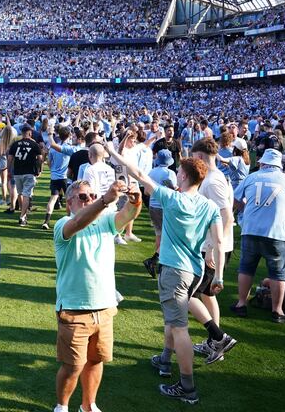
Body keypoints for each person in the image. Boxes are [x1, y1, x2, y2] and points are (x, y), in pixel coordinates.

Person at [103, 137, 227, 405]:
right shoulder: (209, 206)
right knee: (173, 320)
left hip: (175, 270)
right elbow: (217, 242)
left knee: (180, 327)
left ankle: (187, 387)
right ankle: (164, 359)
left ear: (182, 175)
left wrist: (114, 152)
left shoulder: (172, 199)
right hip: (194, 271)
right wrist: (218, 276)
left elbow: (138, 174)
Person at [52, 179, 142, 412]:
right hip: (74, 310)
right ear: (69, 203)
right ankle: (62, 407)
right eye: (83, 197)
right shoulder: (63, 223)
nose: (88, 199)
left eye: (91, 196)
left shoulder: (105, 222)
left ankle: (88, 405)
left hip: (104, 307)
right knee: (73, 366)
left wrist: (135, 199)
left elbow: (126, 216)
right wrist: (103, 201)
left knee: (96, 360)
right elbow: (79, 222)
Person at [231, 149, 285, 323]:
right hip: (276, 232)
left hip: (251, 229)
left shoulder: (252, 177)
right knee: (278, 273)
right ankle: (278, 311)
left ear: (262, 163)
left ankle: (241, 304)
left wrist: (246, 209)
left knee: (246, 268)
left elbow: (233, 198)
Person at [189, 138, 237, 363]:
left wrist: (211, 248)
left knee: (188, 294)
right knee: (206, 295)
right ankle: (214, 342)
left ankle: (218, 339)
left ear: (199, 157)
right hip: (214, 245)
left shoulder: (213, 181)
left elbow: (228, 217)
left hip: (214, 247)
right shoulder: (215, 178)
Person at [142, 149, 177, 279]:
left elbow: (146, 192)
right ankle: (155, 261)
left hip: (152, 206)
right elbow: (173, 191)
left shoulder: (151, 172)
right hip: (165, 206)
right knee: (168, 236)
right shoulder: (170, 173)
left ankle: (158, 262)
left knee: (159, 234)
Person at [7, 124, 42, 226]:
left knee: (20, 193)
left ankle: (23, 214)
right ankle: (22, 216)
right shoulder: (34, 144)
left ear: (21, 133)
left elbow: (10, 159)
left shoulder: (15, 144)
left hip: (17, 172)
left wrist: (9, 171)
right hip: (29, 172)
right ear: (30, 133)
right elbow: (40, 158)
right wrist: (39, 169)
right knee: (26, 194)